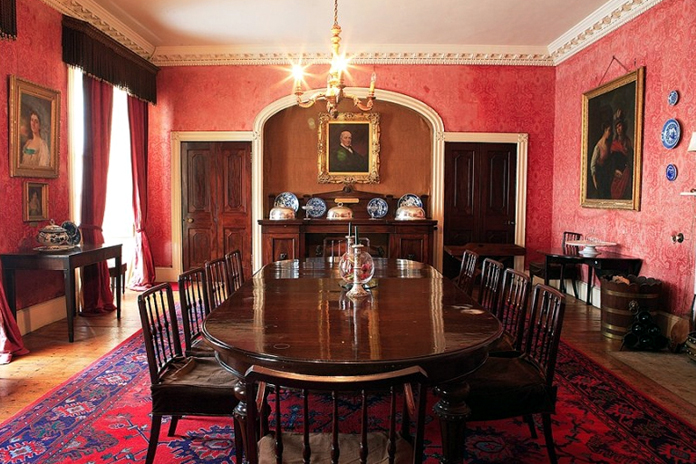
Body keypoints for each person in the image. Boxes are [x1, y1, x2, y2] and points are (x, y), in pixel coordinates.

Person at [609, 109, 633, 200]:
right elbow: (611, 161)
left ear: (623, 127)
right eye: (617, 127)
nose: (619, 129)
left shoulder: (628, 142)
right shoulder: (614, 143)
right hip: (616, 174)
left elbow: (631, 158)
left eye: (620, 126)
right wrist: (614, 171)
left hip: (626, 173)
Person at [590, 120, 614, 199]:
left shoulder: (608, 144)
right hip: (600, 176)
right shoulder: (598, 147)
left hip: (606, 174)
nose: (610, 133)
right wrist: (595, 181)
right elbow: (592, 165)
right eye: (609, 131)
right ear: (605, 130)